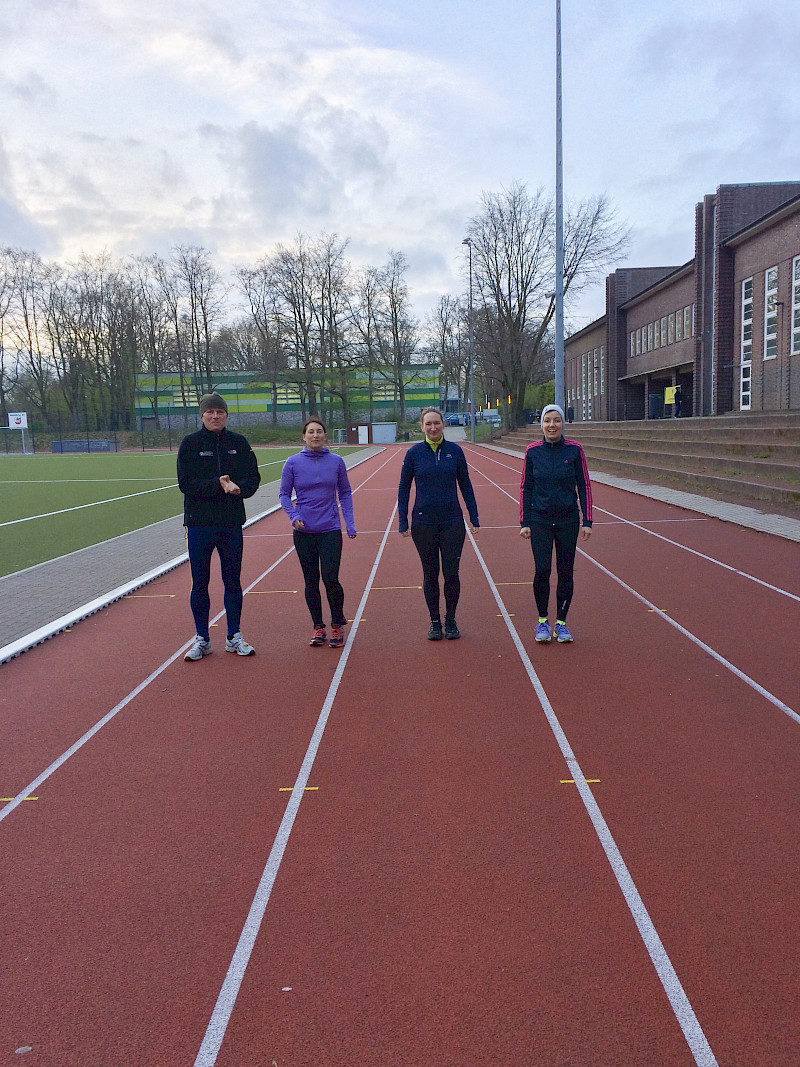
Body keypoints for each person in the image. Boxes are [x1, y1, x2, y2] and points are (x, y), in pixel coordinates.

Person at [178, 393, 261, 660]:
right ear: (202, 416)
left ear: (227, 415)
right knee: (200, 583)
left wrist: (240, 490)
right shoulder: (190, 444)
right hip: (200, 525)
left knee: (233, 581)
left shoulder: (239, 442)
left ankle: (233, 636)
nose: (215, 416)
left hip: (230, 524)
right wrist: (219, 484)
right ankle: (202, 638)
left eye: (220, 412)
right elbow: (185, 484)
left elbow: (253, 477)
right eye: (210, 412)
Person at [397, 407, 480, 640]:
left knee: (452, 573)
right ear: (421, 427)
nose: (433, 428)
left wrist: (473, 517)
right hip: (423, 523)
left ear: (443, 424)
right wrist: (402, 519)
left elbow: (465, 485)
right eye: (428, 424)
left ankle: (450, 620)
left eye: (437, 423)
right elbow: (404, 487)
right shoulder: (413, 453)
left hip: (452, 521)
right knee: (430, 573)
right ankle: (434, 621)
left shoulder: (455, 452)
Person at [279, 418, 357, 648]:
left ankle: (336, 624)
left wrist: (349, 523)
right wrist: (293, 517)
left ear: (325, 436)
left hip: (330, 529)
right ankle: (318, 626)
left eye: (319, 431)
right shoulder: (292, 463)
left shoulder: (336, 462)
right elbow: (284, 494)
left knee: (331, 578)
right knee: (310, 581)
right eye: (311, 432)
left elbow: (345, 492)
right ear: (304, 436)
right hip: (304, 531)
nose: (315, 435)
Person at [519, 404, 592, 644]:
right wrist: (524, 521)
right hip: (539, 520)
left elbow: (584, 485)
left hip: (568, 520)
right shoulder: (532, 452)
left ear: (563, 424)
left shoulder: (575, 450)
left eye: (557, 421)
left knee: (565, 571)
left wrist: (587, 520)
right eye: (547, 421)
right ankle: (542, 621)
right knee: (542, 570)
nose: (552, 425)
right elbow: (526, 487)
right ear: (541, 424)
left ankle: (561, 623)